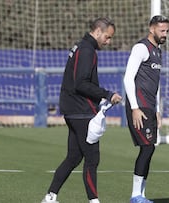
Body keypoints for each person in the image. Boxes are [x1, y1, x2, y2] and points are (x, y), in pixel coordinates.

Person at [41, 17, 122, 203]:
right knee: (92, 159)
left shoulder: (80, 46)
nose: (108, 42)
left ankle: (50, 196)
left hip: (73, 110)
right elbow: (81, 83)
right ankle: (93, 200)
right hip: (81, 111)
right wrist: (107, 94)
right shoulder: (87, 50)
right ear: (98, 31)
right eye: (107, 37)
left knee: (74, 157)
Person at [123, 15, 169, 203]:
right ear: (151, 29)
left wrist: (157, 109)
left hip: (150, 107)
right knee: (147, 147)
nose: (165, 34)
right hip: (139, 106)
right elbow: (128, 78)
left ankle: (141, 195)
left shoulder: (158, 51)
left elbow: (155, 85)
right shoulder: (141, 48)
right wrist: (134, 108)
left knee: (149, 148)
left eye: (167, 31)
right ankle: (135, 195)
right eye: (162, 30)